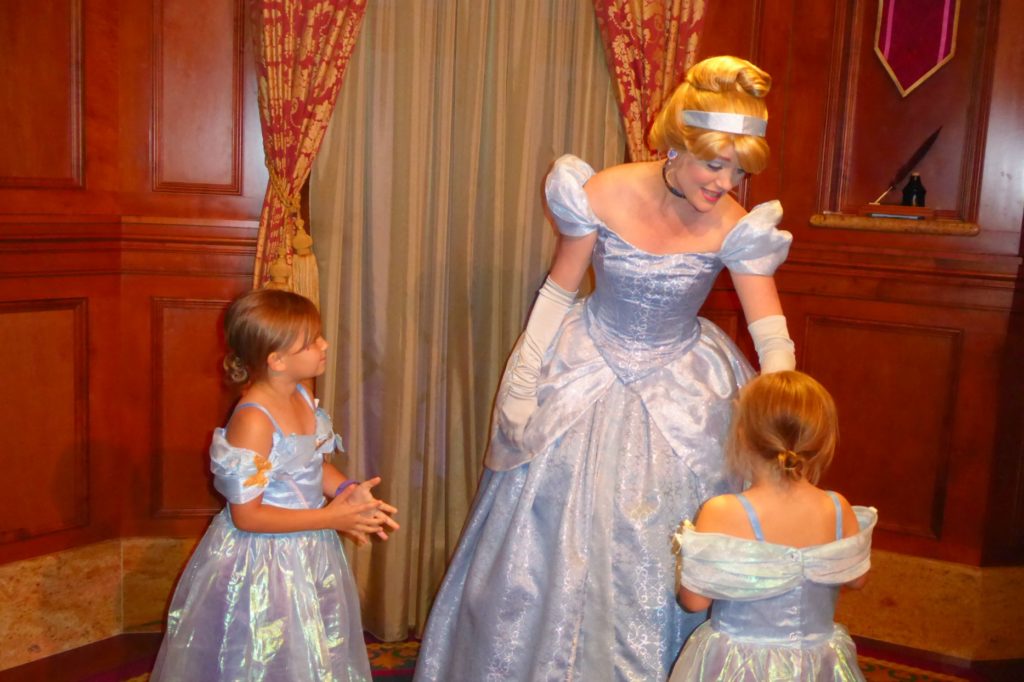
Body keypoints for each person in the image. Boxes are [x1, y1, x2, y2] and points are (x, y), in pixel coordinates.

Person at [414, 55, 796, 680]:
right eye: (713, 164)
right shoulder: (602, 190)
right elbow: (559, 291)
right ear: (677, 145)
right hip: (585, 366)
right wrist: (521, 378)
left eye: (737, 169)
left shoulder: (735, 224)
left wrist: (785, 413)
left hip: (685, 386)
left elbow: (770, 333)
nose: (725, 184)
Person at [151, 288, 399, 682]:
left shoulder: (303, 394)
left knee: (316, 646)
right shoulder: (253, 420)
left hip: (310, 548)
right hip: (262, 560)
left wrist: (348, 491)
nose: (325, 344)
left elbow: (313, 466)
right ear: (277, 359)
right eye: (312, 340)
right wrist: (332, 518)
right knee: (266, 652)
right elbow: (247, 516)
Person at [670, 370, 875, 681]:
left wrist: (683, 560)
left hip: (738, 665)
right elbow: (858, 578)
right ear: (820, 441)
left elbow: (694, 601)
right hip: (817, 663)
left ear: (742, 435)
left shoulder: (724, 510)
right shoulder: (837, 506)